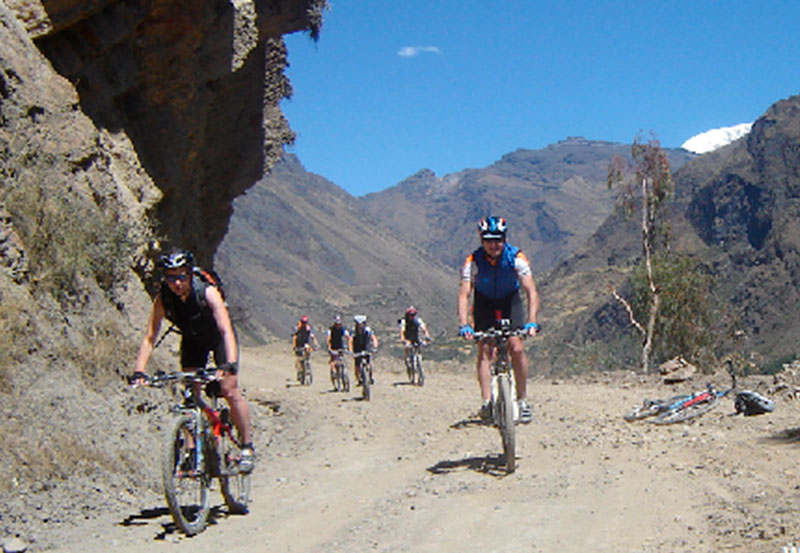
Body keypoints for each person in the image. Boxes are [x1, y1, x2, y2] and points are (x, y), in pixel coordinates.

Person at [131, 249, 254, 471]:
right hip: (192, 340)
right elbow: (150, 337)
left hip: (218, 338)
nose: (176, 283)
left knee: (229, 389)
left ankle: (247, 447)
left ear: (190, 274)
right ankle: (191, 450)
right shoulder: (164, 299)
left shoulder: (207, 292)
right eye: (170, 277)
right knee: (190, 395)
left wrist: (229, 364)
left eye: (181, 276)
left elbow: (226, 330)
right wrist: (139, 371)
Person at [457, 216, 540, 424]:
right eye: (488, 240)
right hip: (484, 303)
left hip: (510, 301)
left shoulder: (517, 257)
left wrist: (531, 321)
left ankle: (522, 401)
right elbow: (464, 295)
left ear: (505, 239)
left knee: (516, 347)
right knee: (485, 349)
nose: (494, 245)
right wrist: (464, 324)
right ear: (481, 240)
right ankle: (487, 402)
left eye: (498, 240)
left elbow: (530, 291)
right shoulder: (473, 261)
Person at [348, 315, 378, 385]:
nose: (360, 326)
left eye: (362, 324)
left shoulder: (368, 330)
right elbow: (350, 340)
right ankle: (358, 378)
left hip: (366, 346)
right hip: (357, 347)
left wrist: (375, 347)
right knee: (357, 364)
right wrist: (350, 350)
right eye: (359, 325)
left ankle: (370, 376)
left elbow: (374, 338)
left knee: (369, 362)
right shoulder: (353, 331)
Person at [291, 315, 319, 380]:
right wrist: (294, 346)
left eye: (305, 322)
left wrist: (316, 344)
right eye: (303, 322)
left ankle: (307, 364)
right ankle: (299, 370)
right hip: (298, 344)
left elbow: (313, 337)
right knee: (299, 358)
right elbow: (294, 337)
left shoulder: (308, 329)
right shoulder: (297, 328)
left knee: (307, 353)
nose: (304, 324)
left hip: (305, 343)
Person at [326, 314, 350, 381]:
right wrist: (329, 348)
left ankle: (343, 373)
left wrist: (349, 346)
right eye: (337, 324)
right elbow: (328, 339)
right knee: (333, 361)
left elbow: (348, 337)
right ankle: (333, 373)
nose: (338, 325)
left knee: (341, 359)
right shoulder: (330, 330)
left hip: (340, 347)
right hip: (333, 347)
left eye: (339, 324)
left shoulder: (343, 329)